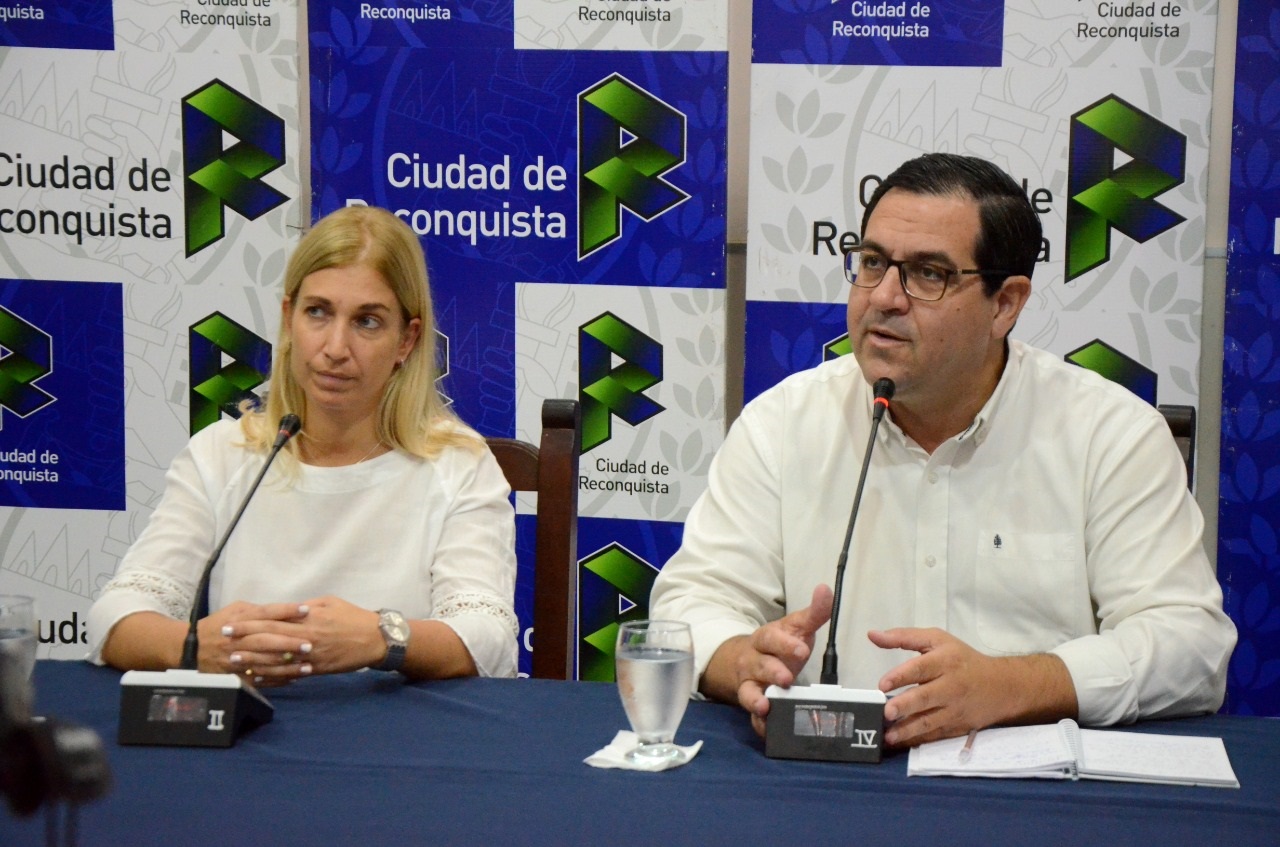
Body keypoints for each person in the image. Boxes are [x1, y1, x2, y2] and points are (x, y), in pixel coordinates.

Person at [650, 152, 1236, 748]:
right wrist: (739, 660)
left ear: (1005, 304)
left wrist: (1015, 686)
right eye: (872, 262)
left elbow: (1190, 645)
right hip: (828, 773)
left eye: (928, 274)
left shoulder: (1110, 434)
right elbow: (691, 602)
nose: (884, 297)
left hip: (1031, 789)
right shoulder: (782, 423)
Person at [88, 205, 518, 682]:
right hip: (255, 719)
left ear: (406, 340)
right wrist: (194, 648)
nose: (335, 348)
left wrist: (381, 639)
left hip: (399, 724)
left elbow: (489, 640)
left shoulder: (459, 463)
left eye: (367, 322)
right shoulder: (223, 454)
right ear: (289, 319)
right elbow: (115, 614)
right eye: (318, 312)